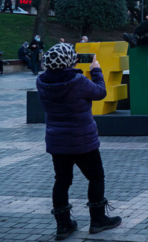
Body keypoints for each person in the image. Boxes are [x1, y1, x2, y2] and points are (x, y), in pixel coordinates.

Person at [37, 44, 122, 239]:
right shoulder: (78, 81)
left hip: (57, 142)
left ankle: (63, 225)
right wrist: (96, 70)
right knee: (95, 177)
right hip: (82, 140)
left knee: (62, 181)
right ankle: (98, 220)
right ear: (69, 61)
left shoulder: (41, 81)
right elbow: (100, 92)